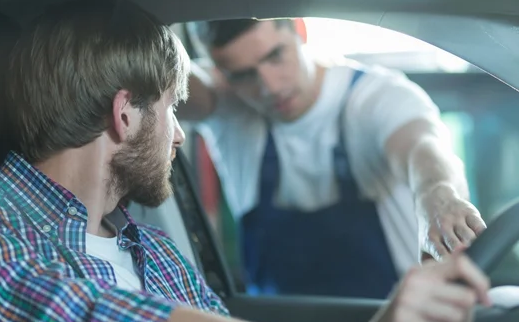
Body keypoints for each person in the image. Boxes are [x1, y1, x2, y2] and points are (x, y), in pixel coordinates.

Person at [0, 0, 492, 322]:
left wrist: (439, 198)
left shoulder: (159, 255)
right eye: (172, 110)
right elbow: (73, 318)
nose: (181, 136)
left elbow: (422, 144)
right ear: (124, 114)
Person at [183, 19, 487, 298]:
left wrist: (437, 194)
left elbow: (422, 145)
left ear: (299, 30)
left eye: (275, 56)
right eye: (244, 74)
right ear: (220, 74)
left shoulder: (374, 96)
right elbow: (159, 79)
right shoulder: (229, 112)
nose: (270, 86)